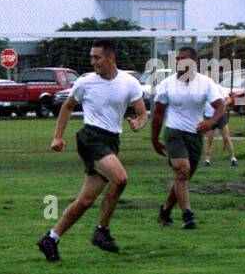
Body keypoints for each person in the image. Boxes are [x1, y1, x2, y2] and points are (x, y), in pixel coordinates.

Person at [36, 40, 147, 261]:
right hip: (91, 138)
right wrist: (57, 137)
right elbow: (67, 106)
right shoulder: (85, 83)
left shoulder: (130, 82)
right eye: (91, 57)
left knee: (85, 200)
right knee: (120, 179)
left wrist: (138, 123)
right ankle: (102, 231)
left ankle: (51, 238)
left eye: (97, 57)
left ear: (111, 58)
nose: (92, 61)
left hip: (112, 140)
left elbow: (142, 113)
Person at [151, 46, 225, 229]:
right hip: (174, 132)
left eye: (182, 58)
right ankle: (188, 215)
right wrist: (154, 139)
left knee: (183, 177)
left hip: (195, 134)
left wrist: (211, 123)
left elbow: (220, 107)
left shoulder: (205, 83)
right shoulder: (166, 84)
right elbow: (158, 114)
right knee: (182, 170)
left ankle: (165, 210)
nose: (178, 62)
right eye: (176, 59)